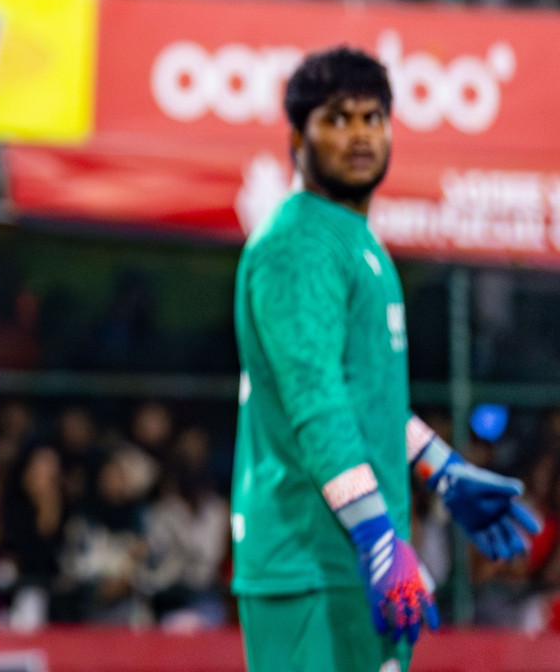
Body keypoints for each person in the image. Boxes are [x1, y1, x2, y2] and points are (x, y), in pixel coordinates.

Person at [231, 47, 540, 671]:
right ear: (297, 136)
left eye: (373, 117)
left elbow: (364, 402)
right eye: (338, 119)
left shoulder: (355, 242)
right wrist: (375, 533)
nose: (360, 135)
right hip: (313, 565)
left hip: (352, 560)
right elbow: (316, 404)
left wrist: (443, 470)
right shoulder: (299, 244)